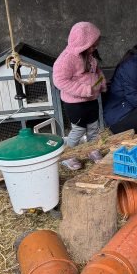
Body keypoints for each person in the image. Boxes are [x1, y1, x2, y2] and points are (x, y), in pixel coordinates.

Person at [53, 22, 106, 171]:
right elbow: (59, 80)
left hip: (91, 100)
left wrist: (101, 82)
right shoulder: (66, 59)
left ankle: (92, 149)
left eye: (96, 45)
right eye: (92, 45)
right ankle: (68, 155)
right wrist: (84, 90)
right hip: (75, 103)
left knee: (93, 128)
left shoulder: (89, 55)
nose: (95, 48)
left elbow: (97, 72)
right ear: (82, 43)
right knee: (78, 129)